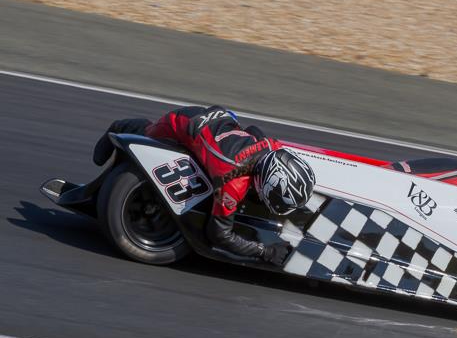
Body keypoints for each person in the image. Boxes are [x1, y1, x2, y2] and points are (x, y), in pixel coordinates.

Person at [92, 105, 316, 264]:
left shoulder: (272, 146)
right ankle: (121, 125)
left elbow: (254, 131)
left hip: (223, 119)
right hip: (186, 122)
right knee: (149, 134)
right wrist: (264, 251)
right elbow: (219, 234)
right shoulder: (232, 184)